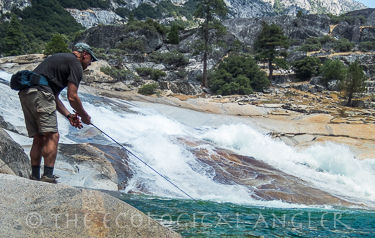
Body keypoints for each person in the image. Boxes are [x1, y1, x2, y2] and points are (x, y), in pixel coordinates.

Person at [18, 43, 98, 183]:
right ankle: (48, 177)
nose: (90, 64)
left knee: (39, 137)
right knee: (52, 135)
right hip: (41, 93)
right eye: (91, 59)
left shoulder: (61, 59)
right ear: (84, 54)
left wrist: (69, 115)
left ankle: (35, 176)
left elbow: (53, 97)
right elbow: (72, 97)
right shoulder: (76, 64)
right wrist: (84, 116)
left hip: (26, 93)